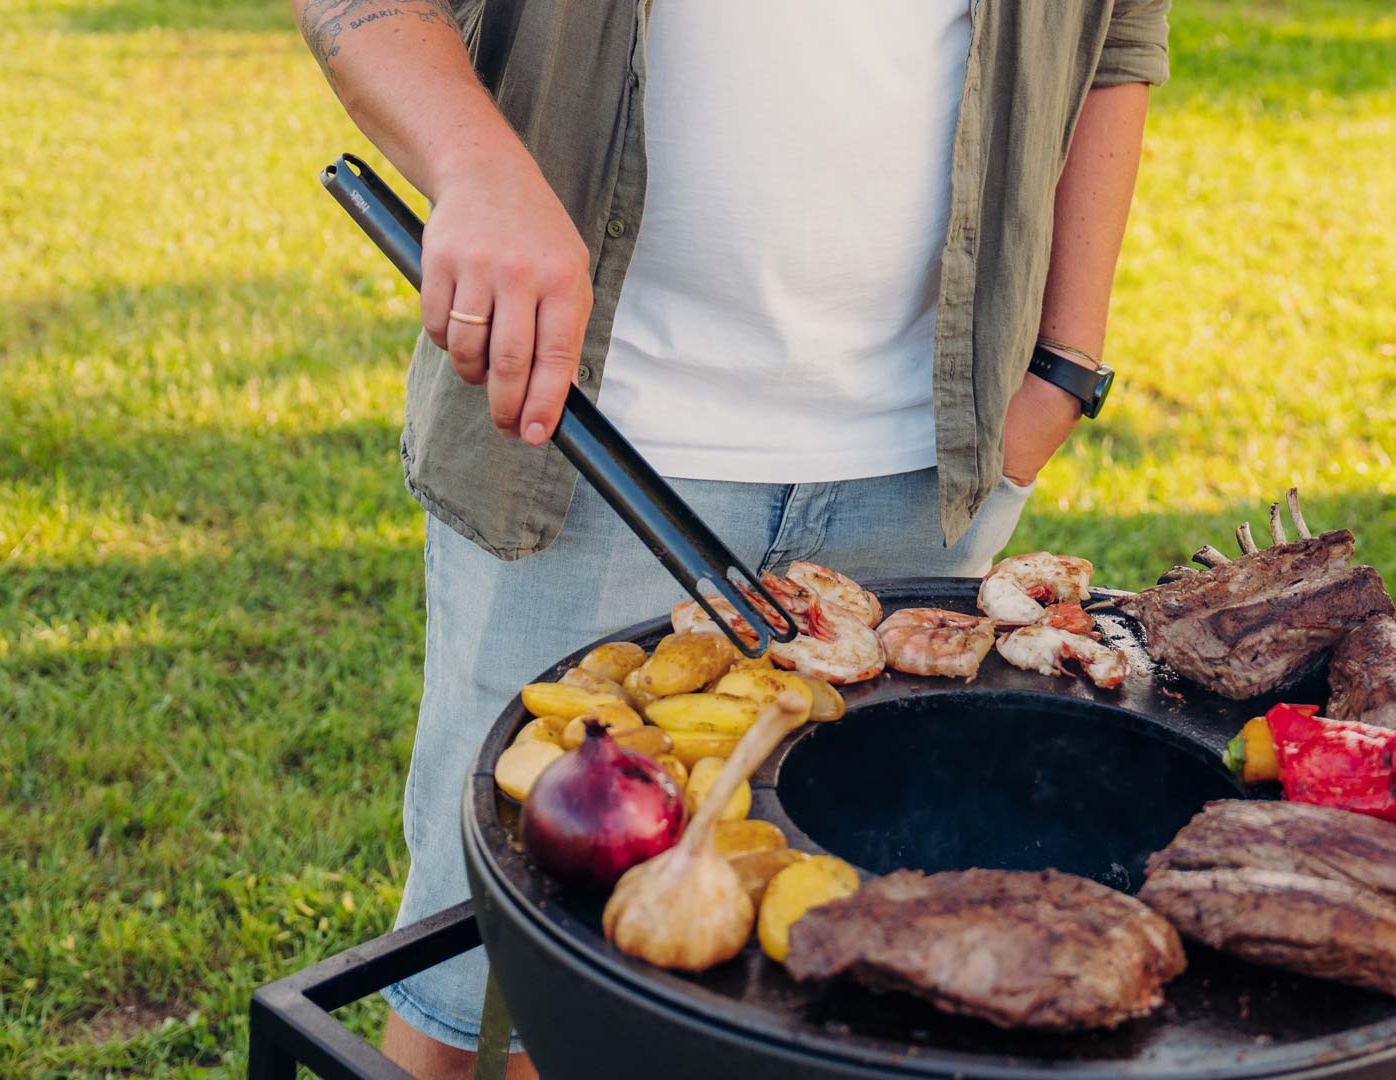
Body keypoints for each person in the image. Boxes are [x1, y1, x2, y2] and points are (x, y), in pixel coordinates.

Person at [292, 1, 1169, 1076]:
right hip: (586, 437)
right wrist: (477, 167)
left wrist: (1065, 371)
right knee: (494, 984)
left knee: (821, 988)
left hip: (923, 464)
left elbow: (1116, 34)